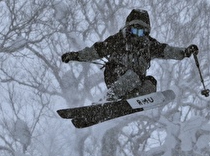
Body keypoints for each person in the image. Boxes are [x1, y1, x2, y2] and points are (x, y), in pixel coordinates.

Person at [60, 8, 198, 101]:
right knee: (133, 76)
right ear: (128, 29)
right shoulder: (118, 40)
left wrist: (185, 52)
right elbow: (95, 51)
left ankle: (132, 101)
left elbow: (166, 50)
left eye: (142, 33)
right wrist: (75, 56)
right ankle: (110, 97)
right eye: (135, 31)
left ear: (146, 33)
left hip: (134, 85)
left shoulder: (148, 45)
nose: (138, 36)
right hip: (116, 76)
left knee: (151, 82)